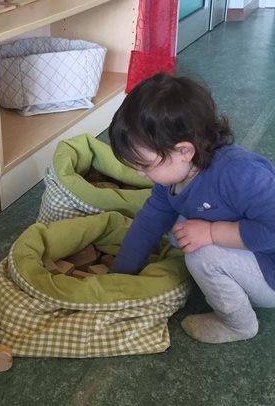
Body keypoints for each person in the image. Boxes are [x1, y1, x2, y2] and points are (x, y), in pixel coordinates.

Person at [108, 72, 275, 344]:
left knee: (201, 254)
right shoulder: (174, 176)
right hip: (253, 252)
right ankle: (226, 275)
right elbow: (149, 222)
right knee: (179, 230)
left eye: (145, 165)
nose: (139, 173)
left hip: (271, 268)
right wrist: (121, 274)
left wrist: (212, 233)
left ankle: (239, 325)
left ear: (185, 151)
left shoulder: (241, 173)